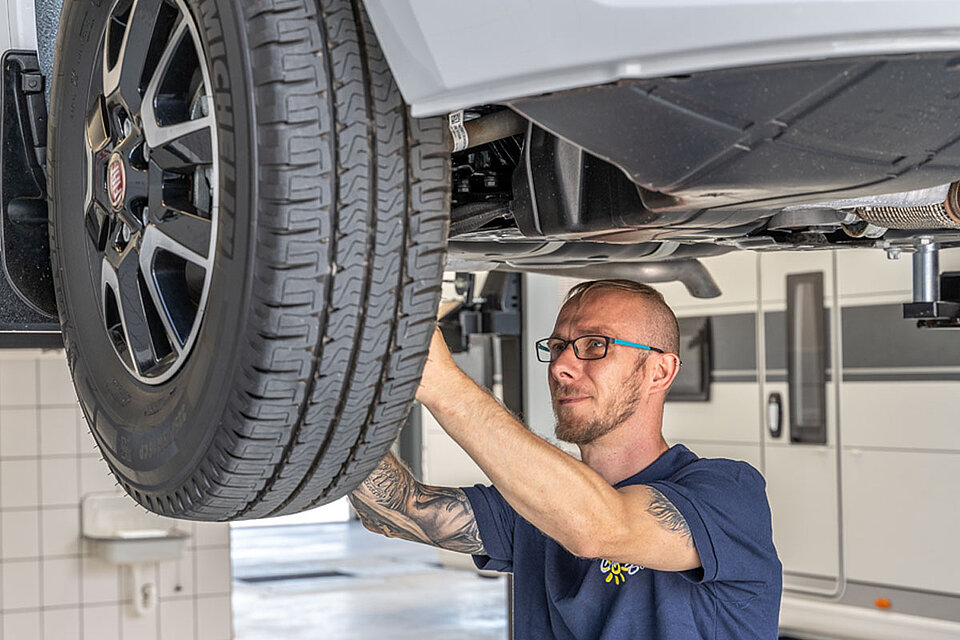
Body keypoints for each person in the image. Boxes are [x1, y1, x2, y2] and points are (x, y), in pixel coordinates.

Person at [349, 279, 782, 639]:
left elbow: (600, 527)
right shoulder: (537, 505)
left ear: (660, 371)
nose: (561, 367)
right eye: (558, 347)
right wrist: (338, 397)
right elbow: (398, 508)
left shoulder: (727, 494)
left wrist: (444, 387)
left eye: (594, 345)